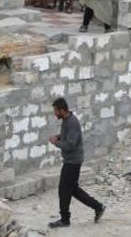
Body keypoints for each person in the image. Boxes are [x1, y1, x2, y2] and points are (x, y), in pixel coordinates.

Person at [48, 97, 105, 229]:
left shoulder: (72, 123)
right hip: (70, 160)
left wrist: (56, 142)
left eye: (56, 111)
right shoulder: (66, 120)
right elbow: (68, 136)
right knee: (73, 190)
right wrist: (58, 136)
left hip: (73, 162)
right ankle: (98, 207)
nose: (55, 113)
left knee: (63, 190)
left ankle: (65, 219)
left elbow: (70, 144)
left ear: (62, 110)